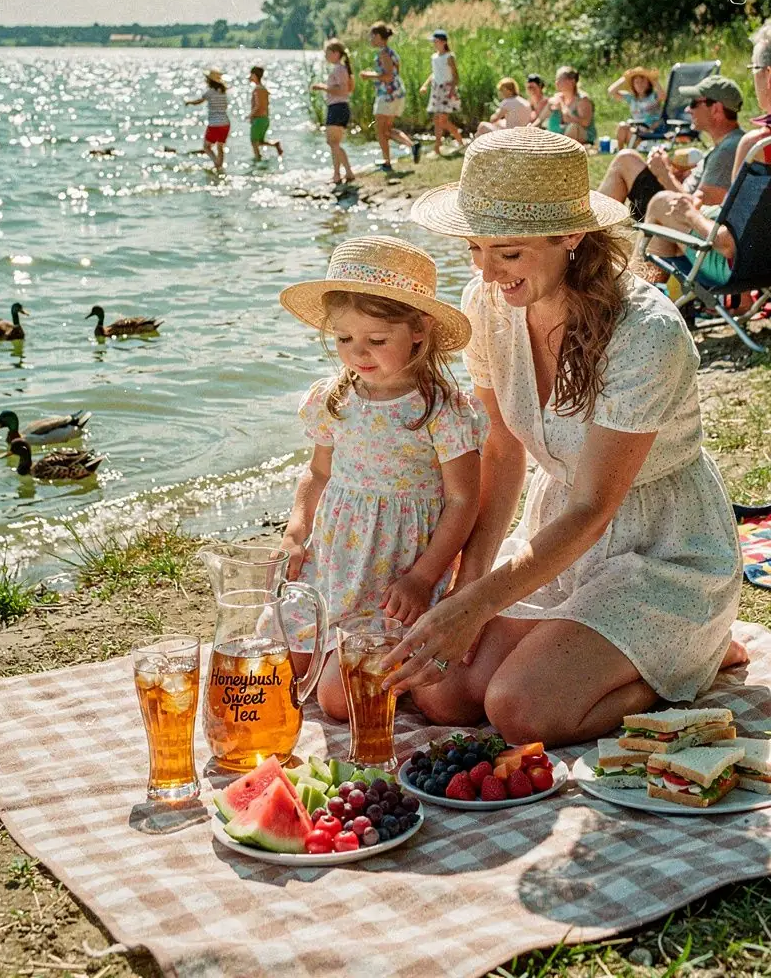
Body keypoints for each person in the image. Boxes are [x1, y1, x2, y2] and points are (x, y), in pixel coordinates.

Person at [378, 128, 742, 747]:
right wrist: (471, 587)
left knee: (520, 711)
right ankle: (605, 651)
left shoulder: (645, 333)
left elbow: (593, 508)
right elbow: (502, 451)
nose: (487, 272)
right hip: (559, 535)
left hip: (663, 551)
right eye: (475, 247)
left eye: (509, 253)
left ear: (571, 236)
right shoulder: (488, 304)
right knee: (444, 695)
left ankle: (690, 660)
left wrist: (473, 609)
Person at [277, 235, 486, 720]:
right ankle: (352, 656)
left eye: (376, 340)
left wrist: (423, 576)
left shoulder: (441, 410)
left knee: (335, 699)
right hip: (334, 568)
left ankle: (408, 667)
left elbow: (463, 501)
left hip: (395, 578)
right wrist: (295, 531)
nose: (356, 354)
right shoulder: (333, 399)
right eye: (344, 339)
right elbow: (318, 471)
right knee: (285, 665)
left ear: (419, 330)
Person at [643, 33, 771, 284]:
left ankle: (644, 300)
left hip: (744, 269)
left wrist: (690, 214)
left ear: (768, 76)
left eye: (754, 69)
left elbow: (728, 245)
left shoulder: (757, 146)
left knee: (661, 203)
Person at [598, 75, 745, 222]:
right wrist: (681, 176)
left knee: (625, 160)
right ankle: (591, 231)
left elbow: (702, 211)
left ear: (715, 109)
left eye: (694, 103)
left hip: (675, 215)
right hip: (674, 203)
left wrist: (664, 174)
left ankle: (590, 231)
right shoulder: (729, 144)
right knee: (626, 159)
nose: (688, 109)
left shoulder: (728, 150)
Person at [360, 23, 421, 171]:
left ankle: (387, 163)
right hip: (396, 93)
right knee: (387, 130)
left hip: (387, 95)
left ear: (379, 36)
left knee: (380, 130)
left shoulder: (383, 53)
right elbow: (395, 73)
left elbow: (388, 76)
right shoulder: (390, 52)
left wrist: (369, 75)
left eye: (372, 35)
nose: (370, 38)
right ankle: (413, 146)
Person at [311, 40, 355, 185]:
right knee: (334, 143)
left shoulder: (339, 69)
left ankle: (348, 172)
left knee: (332, 142)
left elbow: (343, 90)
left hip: (338, 107)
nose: (325, 56)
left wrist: (323, 87)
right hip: (339, 107)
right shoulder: (341, 68)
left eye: (327, 53)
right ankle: (337, 174)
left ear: (336, 53)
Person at [419, 30, 465, 155]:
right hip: (436, 90)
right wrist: (425, 85)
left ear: (443, 42)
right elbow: (434, 73)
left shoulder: (449, 57)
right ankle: (438, 147)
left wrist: (451, 91)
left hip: (446, 90)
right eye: (433, 42)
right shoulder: (434, 57)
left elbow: (456, 76)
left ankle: (460, 141)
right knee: (436, 120)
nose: (434, 44)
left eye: (436, 41)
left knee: (443, 121)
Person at [607, 67, 665, 150]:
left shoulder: (653, 96)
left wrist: (654, 80)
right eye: (636, 82)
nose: (640, 84)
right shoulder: (632, 98)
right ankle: (621, 153)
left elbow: (663, 96)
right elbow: (611, 91)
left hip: (650, 131)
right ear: (633, 85)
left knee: (632, 130)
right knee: (622, 126)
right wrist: (625, 77)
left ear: (649, 83)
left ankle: (627, 151)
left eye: (643, 81)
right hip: (636, 129)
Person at [185, 68, 230, 171]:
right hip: (225, 123)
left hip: (215, 124)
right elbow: (225, 106)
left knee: (206, 146)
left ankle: (216, 163)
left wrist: (189, 102)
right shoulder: (223, 92)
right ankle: (220, 166)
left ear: (210, 81)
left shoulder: (210, 92)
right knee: (220, 147)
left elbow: (199, 101)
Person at [545, 65, 596, 145]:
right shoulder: (559, 97)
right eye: (556, 79)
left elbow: (585, 123)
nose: (557, 82)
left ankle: (559, 149)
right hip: (566, 133)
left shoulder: (582, 99)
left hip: (584, 135)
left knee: (573, 127)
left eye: (560, 80)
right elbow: (542, 118)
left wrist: (562, 107)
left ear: (572, 81)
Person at [248, 66, 283, 160]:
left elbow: (258, 105)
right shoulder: (263, 89)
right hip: (264, 119)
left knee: (254, 142)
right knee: (259, 141)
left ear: (254, 75)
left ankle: (257, 160)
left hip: (259, 119)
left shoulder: (258, 89)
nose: (250, 76)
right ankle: (275, 144)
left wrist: (250, 115)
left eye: (251, 74)